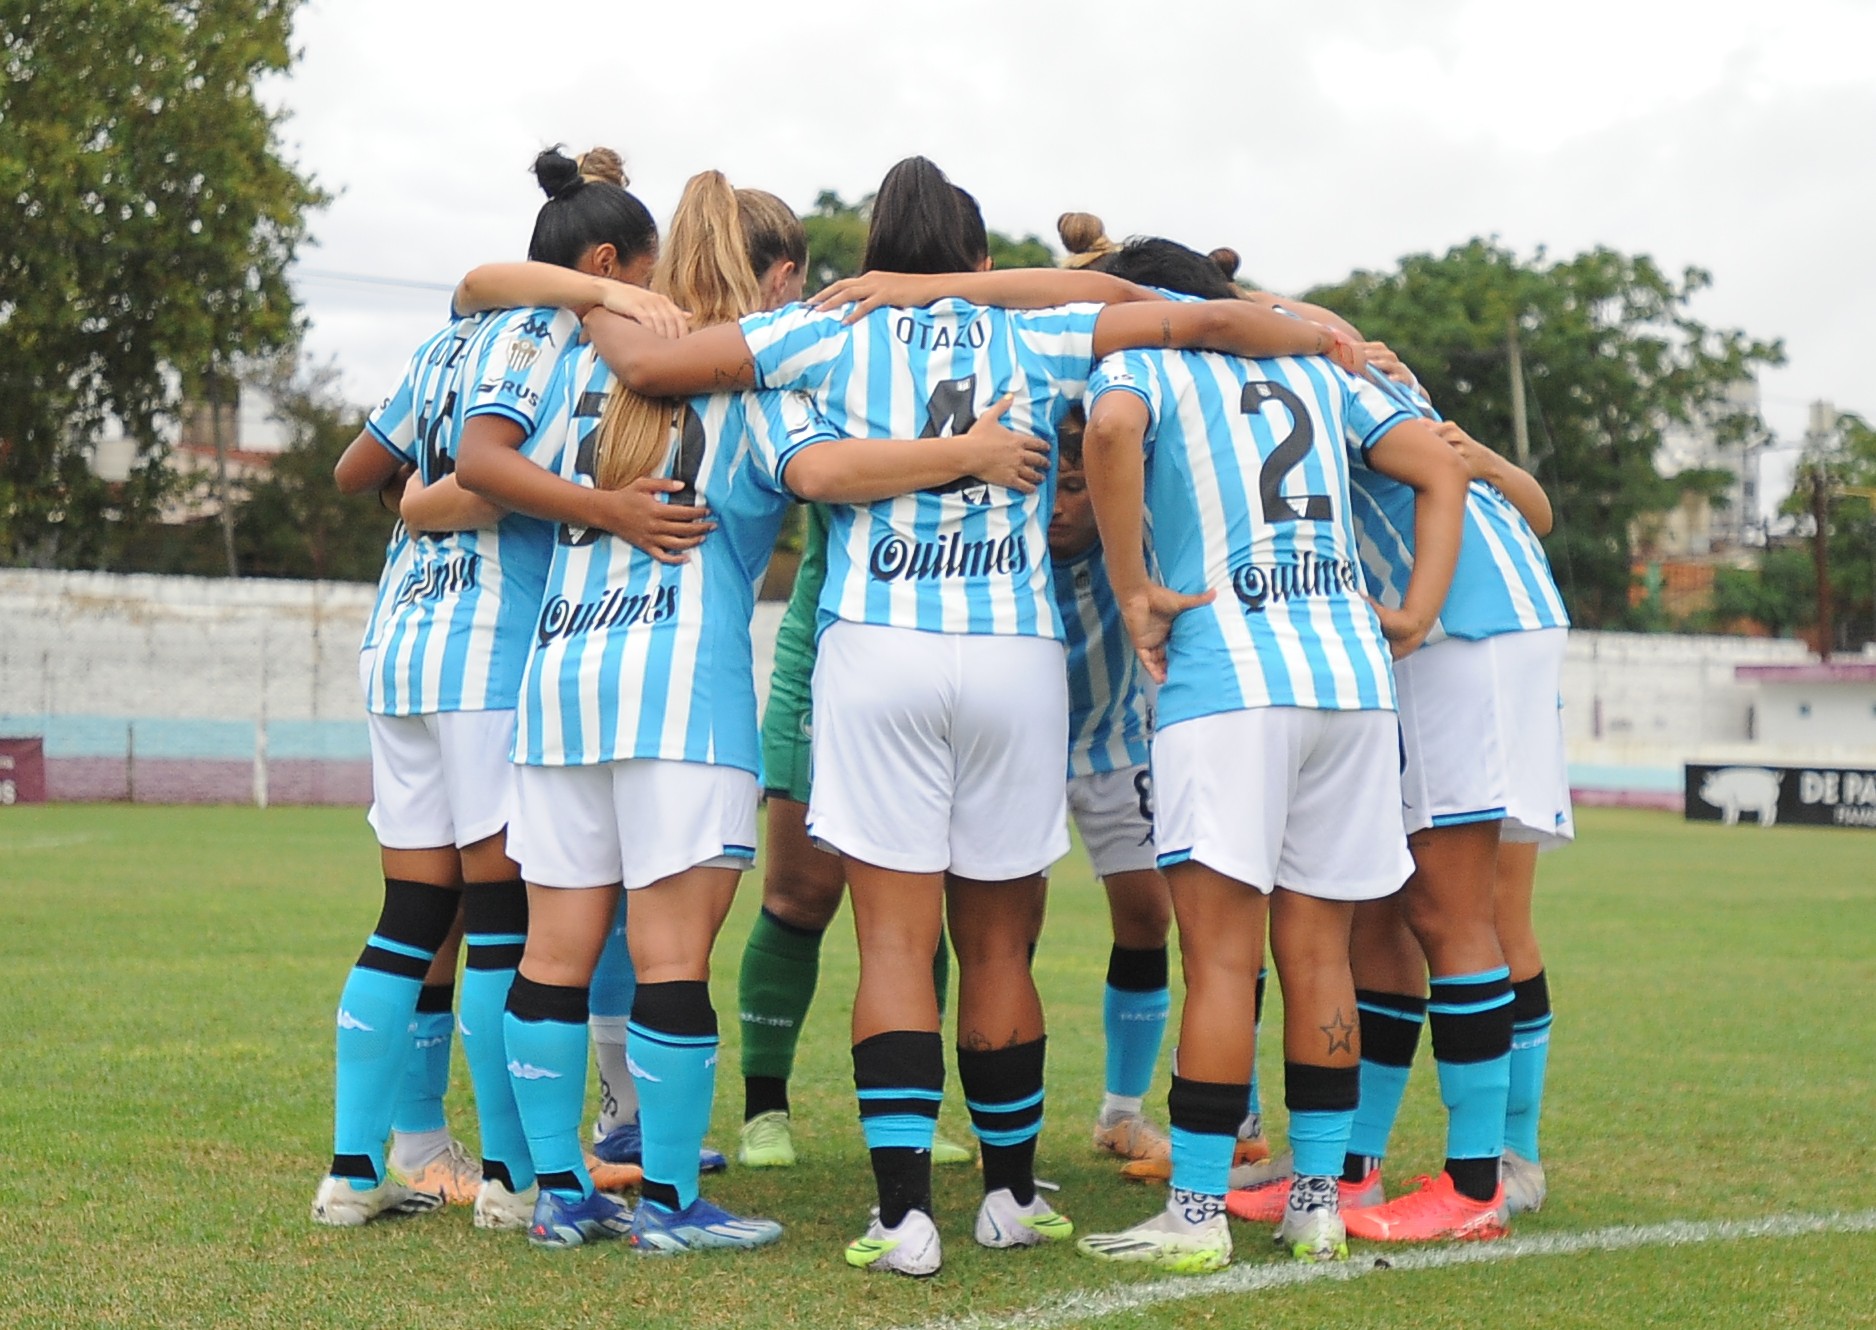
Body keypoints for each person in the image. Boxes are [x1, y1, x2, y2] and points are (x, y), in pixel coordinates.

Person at [581, 155, 1364, 1277]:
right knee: (1000, 940)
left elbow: (654, 365)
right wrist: (991, 295)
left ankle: (904, 1215)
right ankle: (1005, 1193)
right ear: (985, 258)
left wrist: (583, 292)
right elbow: (1150, 307)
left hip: (878, 646)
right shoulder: (1033, 333)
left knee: (894, 940)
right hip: (1013, 656)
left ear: (871, 256)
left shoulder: (823, 328)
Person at [450, 168, 1050, 1252]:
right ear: (761, 279)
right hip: (683, 700)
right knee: (673, 957)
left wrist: (589, 484)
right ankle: (673, 1204)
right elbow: (830, 476)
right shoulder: (757, 386)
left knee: (554, 949)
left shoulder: (582, 351)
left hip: (559, 689)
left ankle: (559, 1196)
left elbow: (470, 462)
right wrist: (964, 453)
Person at [897, 235, 1467, 1270]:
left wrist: (1131, 586)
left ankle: (1196, 1214)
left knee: (1217, 956)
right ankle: (1316, 1204)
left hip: (1227, 676)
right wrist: (1416, 611)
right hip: (1347, 677)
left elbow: (1111, 427)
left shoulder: (1145, 358)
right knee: (1320, 953)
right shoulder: (1311, 364)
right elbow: (1436, 460)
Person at [314, 146, 680, 1231]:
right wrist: (568, 501)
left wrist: (422, 502)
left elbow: (355, 474)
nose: (649, 304)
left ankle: (351, 1169)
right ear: (606, 265)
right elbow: (487, 465)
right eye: (642, 280)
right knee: (499, 916)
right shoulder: (549, 334)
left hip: (399, 649)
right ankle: (519, 1183)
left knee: (412, 911)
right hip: (485, 653)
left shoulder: (445, 338)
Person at [1046, 407, 1178, 1167]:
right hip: (1021, 750)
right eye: (1053, 489)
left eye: (1077, 487)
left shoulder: (1139, 538)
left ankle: (1120, 1114)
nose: (1061, 507)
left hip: (1117, 742)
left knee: (1147, 916)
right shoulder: (1011, 543)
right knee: (1002, 929)